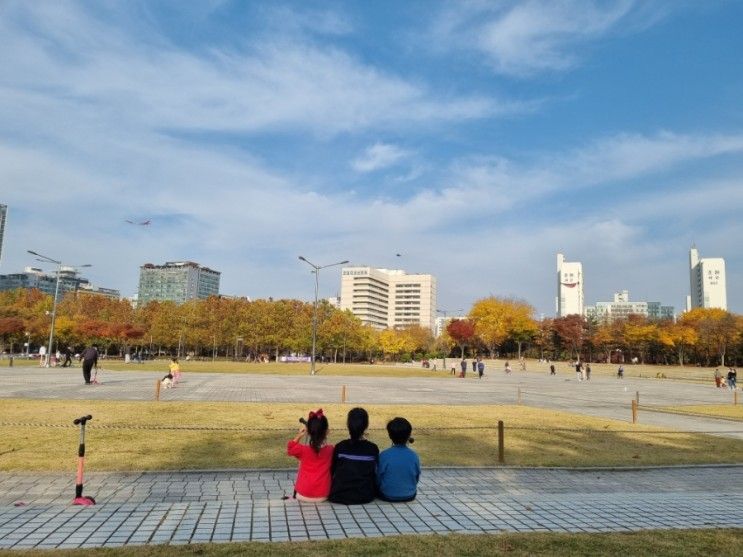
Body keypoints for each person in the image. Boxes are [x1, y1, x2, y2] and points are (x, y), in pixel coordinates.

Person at [329, 407, 379, 505]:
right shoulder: (372, 448)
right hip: (365, 495)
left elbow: (332, 471)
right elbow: (375, 473)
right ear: (366, 425)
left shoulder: (340, 447)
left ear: (348, 425)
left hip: (339, 495)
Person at [287, 409, 333, 502]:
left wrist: (299, 435)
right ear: (327, 431)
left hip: (302, 494)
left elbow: (290, 448)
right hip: (323, 495)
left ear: (308, 431)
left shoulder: (303, 450)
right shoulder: (331, 450)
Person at [377, 417, 420, 502]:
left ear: (390, 435)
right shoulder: (414, 456)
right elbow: (416, 477)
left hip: (387, 495)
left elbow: (378, 478)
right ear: (409, 435)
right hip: (409, 495)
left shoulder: (384, 455)